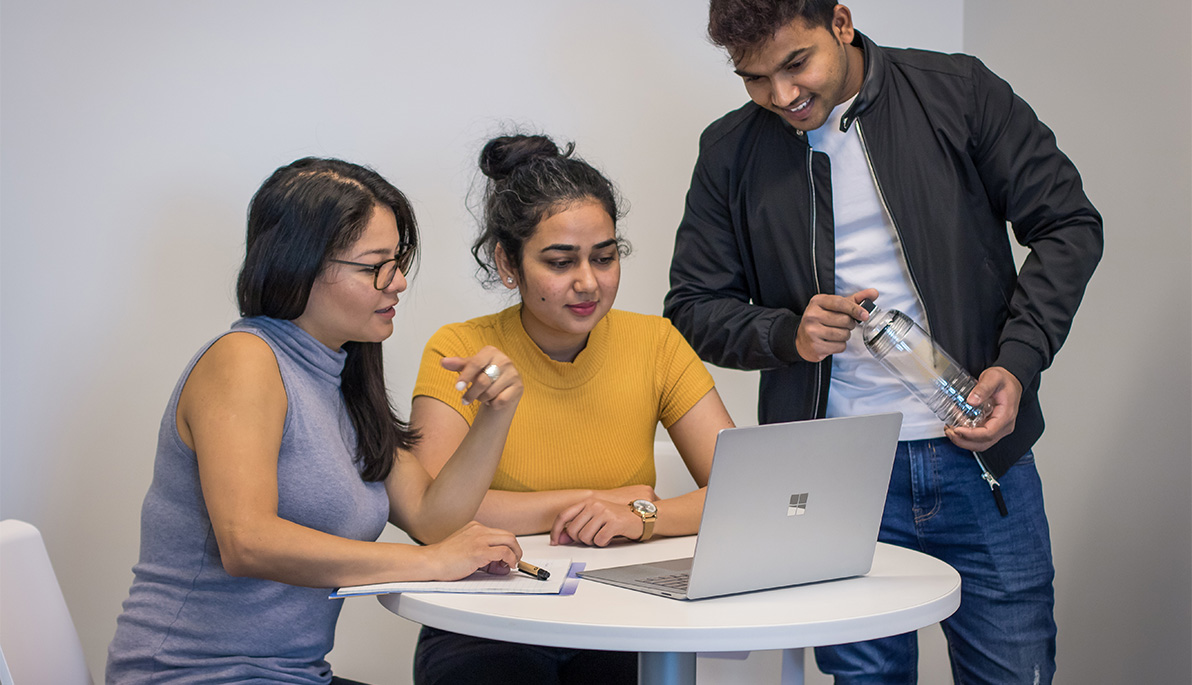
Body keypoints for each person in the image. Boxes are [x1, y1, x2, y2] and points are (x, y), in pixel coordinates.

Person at [664, 2, 1102, 684]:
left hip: (981, 458)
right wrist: (789, 333)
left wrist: (1017, 363)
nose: (782, 96)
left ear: (840, 22)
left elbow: (1069, 224)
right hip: (834, 475)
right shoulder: (731, 151)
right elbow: (692, 304)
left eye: (794, 63)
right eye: (754, 79)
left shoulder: (957, 91)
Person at [106, 157, 526, 684]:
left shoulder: (343, 376)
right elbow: (248, 541)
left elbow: (432, 518)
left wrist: (495, 413)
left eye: (398, 261)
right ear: (299, 264)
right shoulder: (243, 361)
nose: (397, 283)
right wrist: (432, 562)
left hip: (293, 675)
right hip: (191, 675)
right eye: (375, 265)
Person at [410, 133, 735, 684]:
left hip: (623, 613)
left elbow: (740, 492)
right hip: (490, 615)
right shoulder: (461, 350)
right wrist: (595, 502)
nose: (588, 283)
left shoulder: (655, 343)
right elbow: (434, 517)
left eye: (604, 258)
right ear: (507, 264)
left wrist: (641, 515)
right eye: (560, 263)